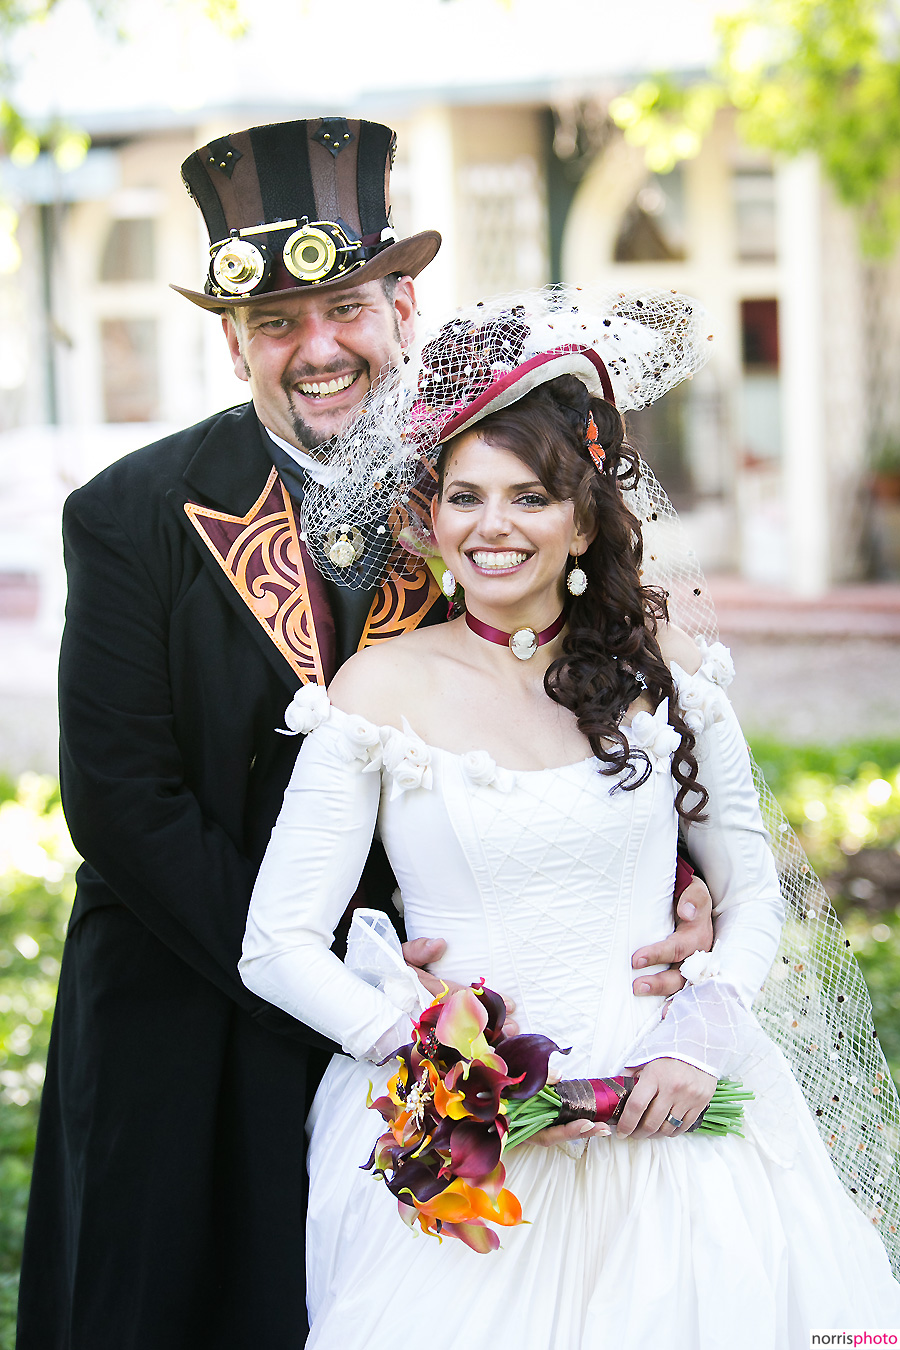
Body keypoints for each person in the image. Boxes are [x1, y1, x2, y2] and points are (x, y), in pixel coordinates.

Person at [16, 123, 709, 1350]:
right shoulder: (128, 516)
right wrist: (348, 981)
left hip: (471, 1027)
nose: (318, 348)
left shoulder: (488, 490)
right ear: (233, 340)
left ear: (402, 305)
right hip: (193, 1009)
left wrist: (680, 874)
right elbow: (123, 803)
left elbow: (587, 701)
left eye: (343, 307)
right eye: (277, 323)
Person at [241, 289, 900, 1346]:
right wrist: (426, 1059)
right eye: (464, 497)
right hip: (478, 1150)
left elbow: (753, 893)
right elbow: (275, 946)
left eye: (530, 496)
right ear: (427, 515)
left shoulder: (670, 674)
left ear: (584, 517)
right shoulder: (377, 690)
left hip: (670, 1105)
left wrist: (702, 1036)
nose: (492, 527)